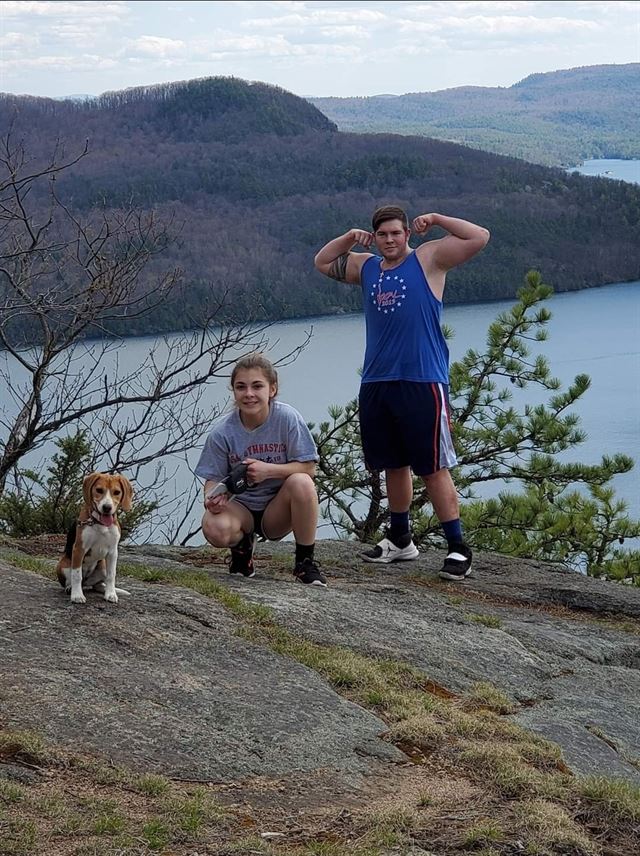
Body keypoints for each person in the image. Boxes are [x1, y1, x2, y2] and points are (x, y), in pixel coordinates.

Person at [314, 206, 490, 580]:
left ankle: (458, 547)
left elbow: (479, 236)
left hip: (422, 379)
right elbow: (322, 261)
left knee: (433, 466)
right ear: (375, 237)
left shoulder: (428, 259)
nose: (390, 240)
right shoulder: (367, 268)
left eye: (396, 233)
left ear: (407, 233)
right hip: (377, 380)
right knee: (393, 464)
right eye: (382, 234)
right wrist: (350, 237)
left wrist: (438, 219)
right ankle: (400, 538)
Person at [195, 353, 326, 587]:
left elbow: (309, 468)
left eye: (257, 386)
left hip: (278, 509)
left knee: (302, 483)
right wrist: (211, 498)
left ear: (272, 389)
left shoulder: (287, 418)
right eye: (241, 387)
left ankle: (305, 563)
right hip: (241, 508)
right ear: (234, 391)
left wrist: (269, 471)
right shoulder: (222, 432)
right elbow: (213, 478)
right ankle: (242, 550)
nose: (249, 394)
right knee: (214, 527)